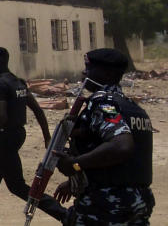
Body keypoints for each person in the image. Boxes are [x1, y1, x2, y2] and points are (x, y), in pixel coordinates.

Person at [52, 48, 155, 225]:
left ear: (107, 74)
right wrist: (75, 181)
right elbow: (124, 164)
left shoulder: (102, 102)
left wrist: (75, 165)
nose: (84, 73)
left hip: (107, 207)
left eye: (89, 68)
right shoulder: (132, 108)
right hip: (136, 204)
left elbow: (122, 147)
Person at [0, 46, 67, 225]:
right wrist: (47, 137)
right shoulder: (18, 82)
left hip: (5, 137)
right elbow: (38, 110)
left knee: (17, 187)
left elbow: (1, 117)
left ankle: (64, 214)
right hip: (14, 135)